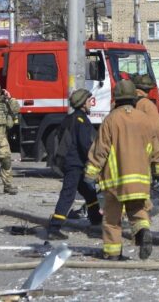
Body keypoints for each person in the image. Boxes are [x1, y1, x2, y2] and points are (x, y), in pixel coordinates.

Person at [85, 80, 159, 260]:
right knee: (138, 211)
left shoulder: (111, 120)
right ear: (133, 98)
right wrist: (158, 171)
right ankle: (143, 232)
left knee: (112, 219)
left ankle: (113, 253)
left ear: (117, 99)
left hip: (116, 181)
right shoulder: (144, 119)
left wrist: (90, 173)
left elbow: (101, 150)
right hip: (140, 180)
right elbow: (156, 149)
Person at [46, 89, 103, 240]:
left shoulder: (70, 118)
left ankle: (96, 220)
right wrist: (95, 161)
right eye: (89, 100)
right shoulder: (81, 121)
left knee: (89, 193)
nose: (91, 103)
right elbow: (86, 145)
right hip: (75, 164)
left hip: (71, 163)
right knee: (68, 194)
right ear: (83, 103)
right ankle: (54, 227)